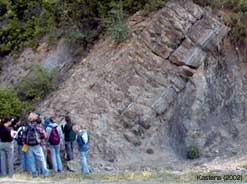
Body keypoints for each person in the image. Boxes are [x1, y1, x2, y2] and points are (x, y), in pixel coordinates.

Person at [22, 112, 49, 177]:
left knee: (31, 160)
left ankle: (34, 173)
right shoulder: (37, 126)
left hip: (29, 145)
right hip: (37, 145)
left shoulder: (27, 127)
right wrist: (41, 139)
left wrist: (24, 143)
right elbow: (44, 135)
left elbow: (24, 136)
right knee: (41, 159)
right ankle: (45, 173)